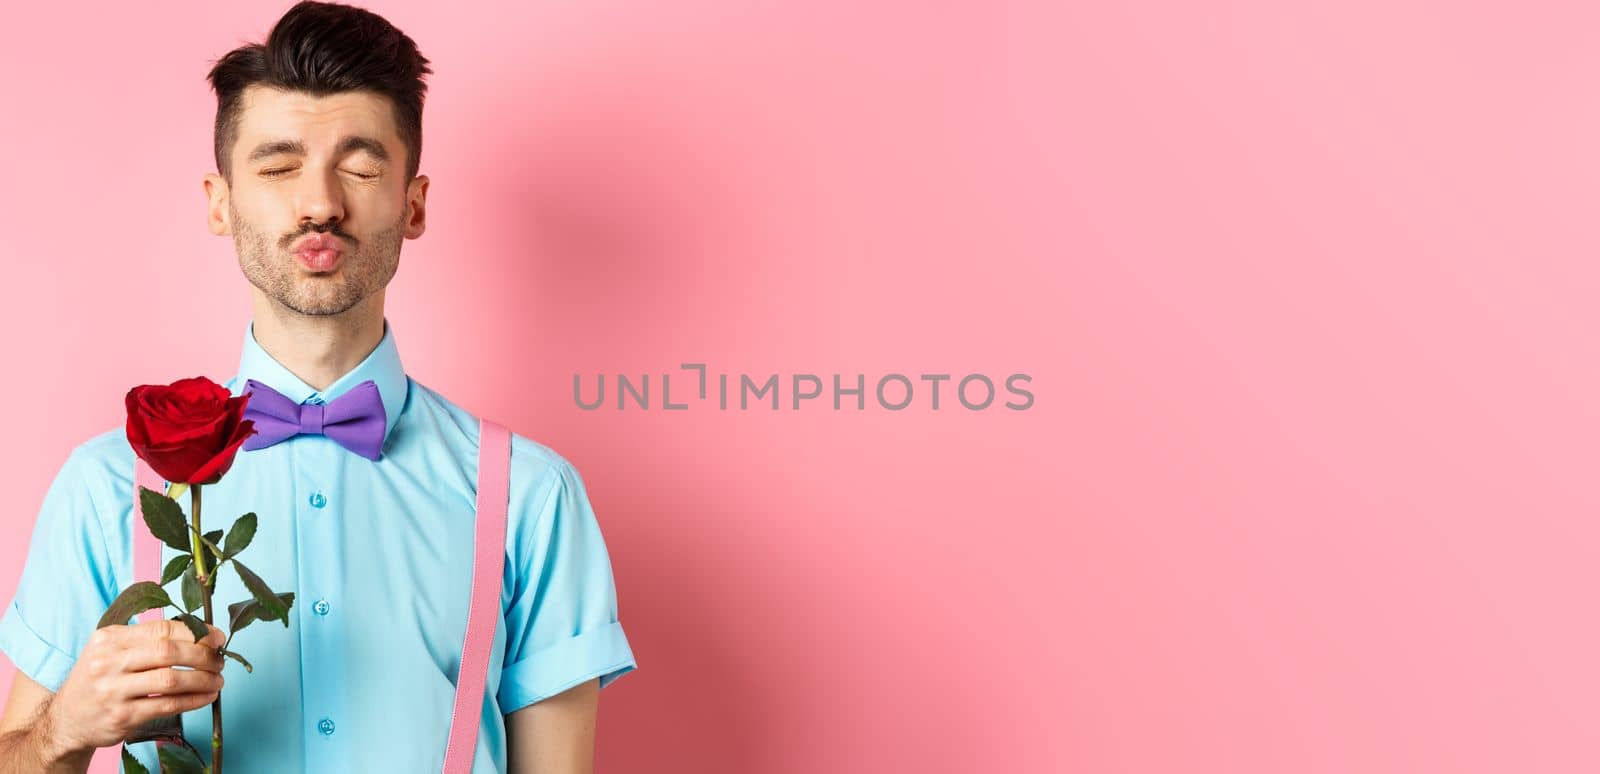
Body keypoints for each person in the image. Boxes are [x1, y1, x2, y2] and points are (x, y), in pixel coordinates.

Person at [0, 2, 637, 771]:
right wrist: (63, 728)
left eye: (361, 167)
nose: (320, 204)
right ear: (219, 201)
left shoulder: (532, 497)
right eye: (277, 167)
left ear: (414, 203)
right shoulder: (103, 488)